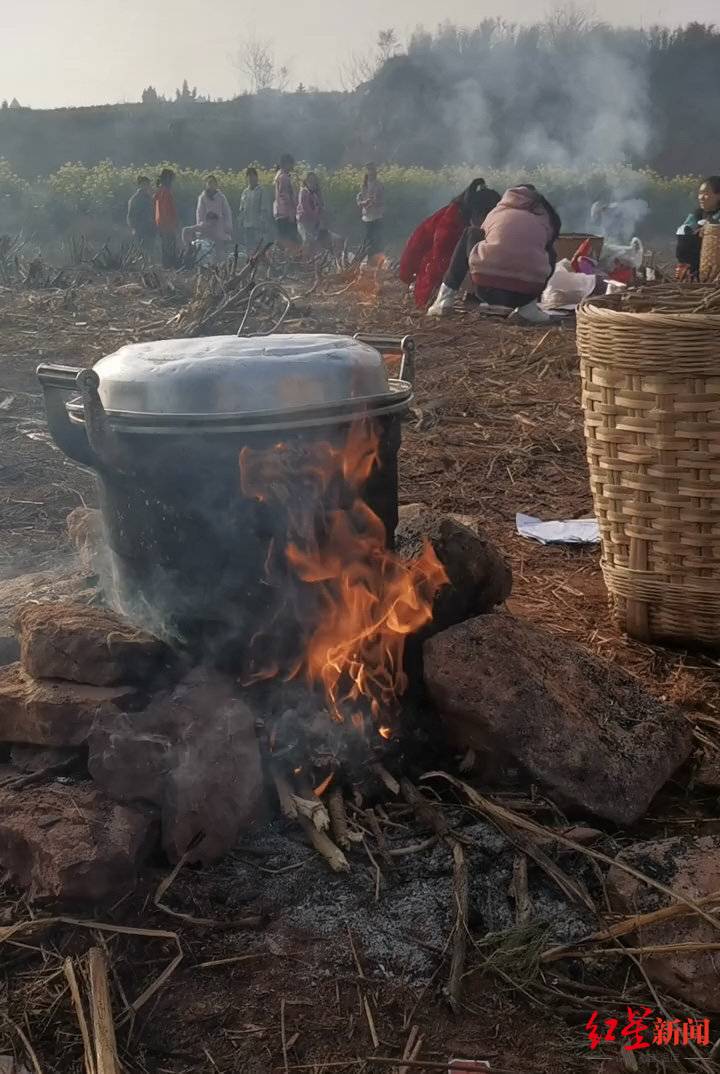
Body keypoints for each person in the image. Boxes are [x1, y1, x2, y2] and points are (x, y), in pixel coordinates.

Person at [427, 184, 561, 323]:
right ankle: (529, 309)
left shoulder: (497, 211)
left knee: (471, 233)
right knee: (548, 251)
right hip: (524, 296)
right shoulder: (544, 218)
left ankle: (444, 300)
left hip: (485, 289)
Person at [399, 178, 501, 308]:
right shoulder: (449, 224)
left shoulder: (464, 220)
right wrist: (428, 293)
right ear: (478, 212)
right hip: (433, 280)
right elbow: (435, 261)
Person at [676, 176, 720, 279]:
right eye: (700, 193)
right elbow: (686, 227)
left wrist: (709, 228)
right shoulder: (697, 214)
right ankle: (689, 272)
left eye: (706, 193)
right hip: (696, 262)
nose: (701, 197)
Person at [196, 175, 233, 261]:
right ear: (206, 184)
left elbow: (227, 212)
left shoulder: (221, 197)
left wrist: (228, 226)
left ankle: (220, 269)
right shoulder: (202, 198)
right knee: (207, 250)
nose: (211, 185)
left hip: (219, 228)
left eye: (213, 183)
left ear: (216, 184)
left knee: (220, 250)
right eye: (209, 183)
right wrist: (201, 226)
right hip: (207, 228)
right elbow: (199, 213)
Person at [356, 162, 384, 260]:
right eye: (369, 170)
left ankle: (376, 259)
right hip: (366, 217)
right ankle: (367, 258)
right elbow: (359, 199)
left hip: (376, 216)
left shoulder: (379, 185)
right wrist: (364, 203)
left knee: (376, 239)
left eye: (372, 170)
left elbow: (380, 200)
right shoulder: (364, 185)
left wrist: (373, 202)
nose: (371, 172)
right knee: (367, 239)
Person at [238, 167, 267, 252]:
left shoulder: (261, 191)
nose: (251, 178)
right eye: (249, 176)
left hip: (258, 225)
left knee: (259, 247)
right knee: (249, 247)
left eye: (253, 176)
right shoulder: (245, 192)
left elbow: (264, 208)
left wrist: (263, 222)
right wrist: (240, 221)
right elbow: (242, 209)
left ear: (257, 177)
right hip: (247, 225)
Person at [154, 168, 178, 269]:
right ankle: (168, 266)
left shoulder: (160, 192)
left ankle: (166, 265)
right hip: (167, 224)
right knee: (169, 245)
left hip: (161, 223)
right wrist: (174, 224)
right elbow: (168, 210)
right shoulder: (166, 192)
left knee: (165, 245)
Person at [126, 175, 156, 256]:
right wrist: (135, 228)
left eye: (148, 184)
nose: (148, 186)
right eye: (146, 184)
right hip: (141, 229)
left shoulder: (149, 197)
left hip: (149, 228)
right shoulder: (135, 199)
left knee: (150, 251)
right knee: (142, 251)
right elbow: (130, 216)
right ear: (141, 185)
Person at [273, 154, 299, 245]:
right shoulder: (284, 177)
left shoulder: (279, 176)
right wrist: (291, 214)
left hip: (280, 213)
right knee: (291, 240)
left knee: (283, 238)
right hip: (286, 214)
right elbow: (285, 197)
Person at [296, 172, 325, 253]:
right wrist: (317, 215)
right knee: (307, 241)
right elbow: (306, 209)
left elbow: (321, 207)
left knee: (316, 242)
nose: (312, 183)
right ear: (306, 182)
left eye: (314, 181)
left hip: (314, 223)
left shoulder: (315, 194)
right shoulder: (304, 192)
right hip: (304, 222)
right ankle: (302, 260)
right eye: (310, 181)